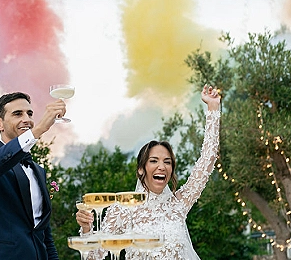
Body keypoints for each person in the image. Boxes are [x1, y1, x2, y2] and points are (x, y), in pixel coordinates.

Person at [76, 85, 221, 260]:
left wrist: (213, 108)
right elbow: (93, 257)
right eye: (154, 161)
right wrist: (86, 228)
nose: (162, 166)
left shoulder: (179, 205)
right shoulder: (122, 209)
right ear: (141, 169)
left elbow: (208, 159)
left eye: (167, 162)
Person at [0, 92, 65, 260]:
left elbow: (45, 236)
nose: (27, 119)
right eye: (18, 114)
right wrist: (37, 130)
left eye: (30, 113)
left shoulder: (38, 171)